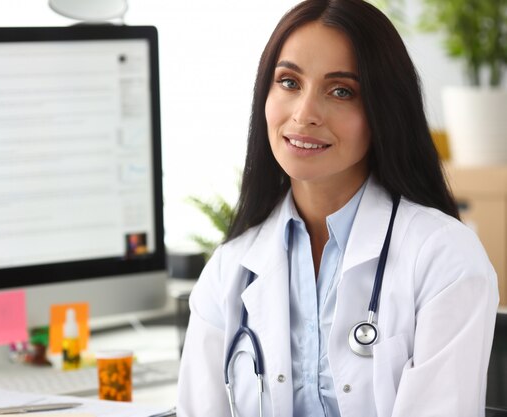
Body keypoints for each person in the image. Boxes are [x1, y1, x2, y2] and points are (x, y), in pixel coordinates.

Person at [176, 0, 499, 416]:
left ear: (383, 111)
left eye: (341, 91)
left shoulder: (444, 258)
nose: (305, 113)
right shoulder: (229, 270)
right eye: (289, 82)